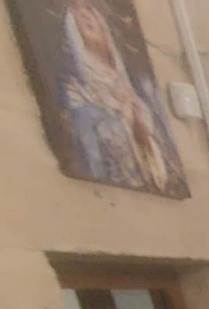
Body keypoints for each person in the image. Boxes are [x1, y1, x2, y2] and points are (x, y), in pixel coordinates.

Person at [58, 0, 181, 195]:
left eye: (89, 10)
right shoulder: (78, 92)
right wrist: (122, 116)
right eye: (78, 15)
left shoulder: (140, 88)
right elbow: (90, 149)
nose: (85, 17)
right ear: (73, 30)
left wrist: (140, 117)